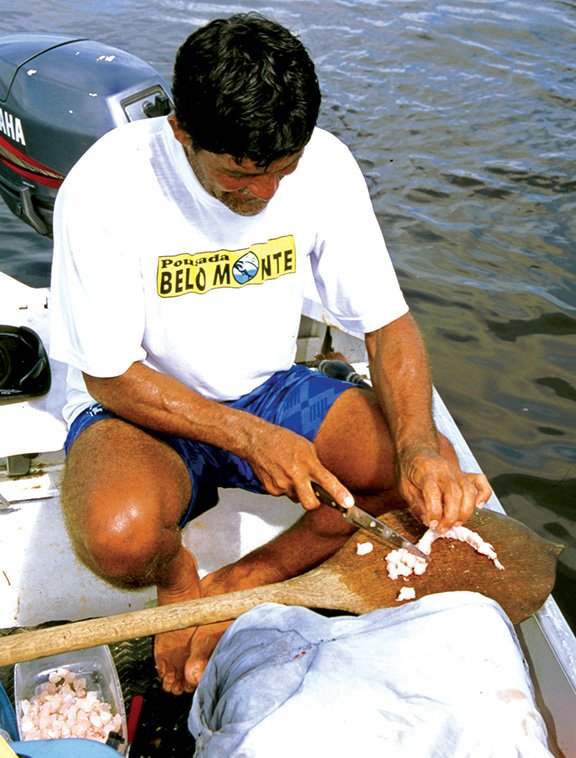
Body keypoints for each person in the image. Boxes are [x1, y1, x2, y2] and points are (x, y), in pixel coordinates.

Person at [49, 13, 491, 696]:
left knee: (423, 476)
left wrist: (418, 449)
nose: (262, 196)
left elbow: (388, 325)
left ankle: (245, 579)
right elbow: (109, 376)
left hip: (267, 387)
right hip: (144, 409)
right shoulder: (107, 185)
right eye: (237, 177)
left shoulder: (327, 164)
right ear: (182, 134)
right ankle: (178, 577)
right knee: (119, 537)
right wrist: (251, 439)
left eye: (282, 173)